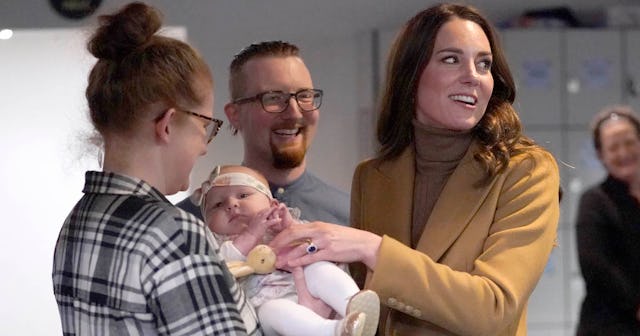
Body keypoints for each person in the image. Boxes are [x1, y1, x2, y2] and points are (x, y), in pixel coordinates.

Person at [270, 3, 560, 335]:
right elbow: (371, 311)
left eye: (484, 64)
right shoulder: (372, 177)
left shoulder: (526, 170)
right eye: (451, 59)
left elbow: (493, 309)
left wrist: (372, 248)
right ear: (412, 74)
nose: (473, 76)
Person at [51, 3, 261, 335]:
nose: (205, 145)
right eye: (205, 126)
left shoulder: (75, 224)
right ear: (167, 125)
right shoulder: (174, 233)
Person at [193, 164, 379, 336]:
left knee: (319, 269)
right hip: (276, 312)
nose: (231, 205)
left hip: (313, 291)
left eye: (243, 195)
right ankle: (333, 331)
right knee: (270, 311)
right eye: (218, 205)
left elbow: (321, 247)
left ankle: (354, 306)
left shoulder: (286, 226)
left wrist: (292, 230)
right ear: (207, 224)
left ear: (272, 205)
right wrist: (250, 236)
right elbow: (221, 272)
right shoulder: (216, 247)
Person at [177, 41, 349, 225]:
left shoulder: (352, 217)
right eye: (274, 97)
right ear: (235, 115)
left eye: (305, 96)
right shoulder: (186, 223)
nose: (294, 112)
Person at [575, 105, 640, 335]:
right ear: (601, 155)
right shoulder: (594, 202)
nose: (623, 153)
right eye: (613, 147)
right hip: (608, 326)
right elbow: (597, 268)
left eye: (629, 142)